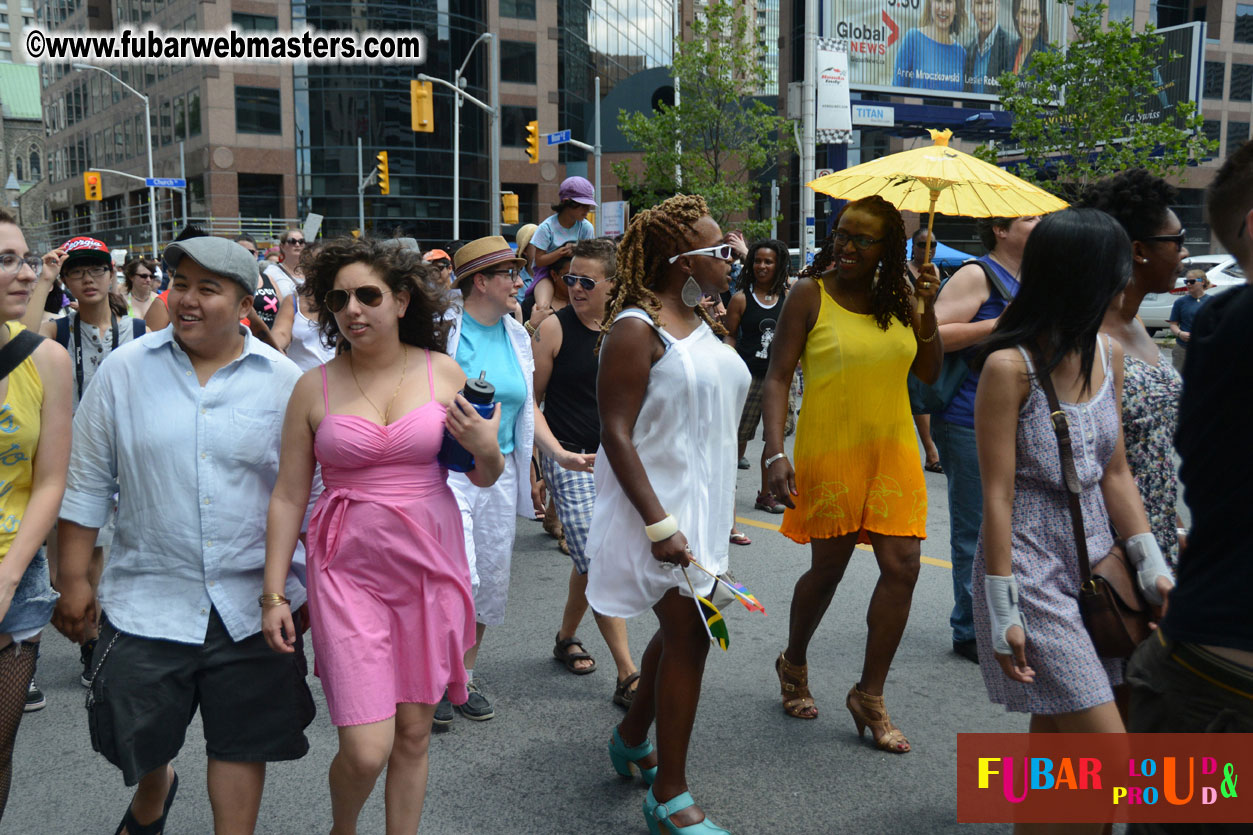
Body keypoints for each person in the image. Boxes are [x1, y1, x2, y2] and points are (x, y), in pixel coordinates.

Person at [52, 236, 316, 835]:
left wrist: (308, 593)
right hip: (148, 599)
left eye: (208, 288)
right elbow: (88, 480)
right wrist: (71, 579)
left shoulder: (285, 383)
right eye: (180, 284)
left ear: (246, 303)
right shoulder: (125, 371)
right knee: (140, 737)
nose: (187, 300)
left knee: (242, 742)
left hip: (252, 604)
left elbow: (307, 496)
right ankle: (155, 792)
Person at [263, 238, 503, 834]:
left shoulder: (442, 371)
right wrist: (273, 594)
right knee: (367, 748)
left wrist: (488, 447)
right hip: (348, 572)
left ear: (400, 300)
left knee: (415, 734)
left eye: (368, 295)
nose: (352, 310)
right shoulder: (311, 386)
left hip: (429, 565)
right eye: (338, 299)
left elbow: (484, 473)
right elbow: (290, 495)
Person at [972, 209, 1172, 773]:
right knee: (1113, 757)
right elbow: (997, 497)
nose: (1126, 281)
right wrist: (1002, 606)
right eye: (1118, 269)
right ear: (1088, 277)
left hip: (1092, 561)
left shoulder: (1108, 355)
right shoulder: (1010, 367)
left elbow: (1116, 474)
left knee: (1060, 755)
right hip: (1030, 567)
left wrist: (1153, 568)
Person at [586, 194, 748, 834]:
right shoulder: (635, 328)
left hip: (703, 513)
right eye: (719, 251)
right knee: (691, 635)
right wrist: (660, 525)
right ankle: (670, 795)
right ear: (680, 261)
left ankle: (631, 738)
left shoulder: (702, 321)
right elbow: (616, 434)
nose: (732, 258)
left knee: (682, 632)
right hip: (654, 515)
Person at [761, 196, 941, 754]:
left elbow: (929, 373)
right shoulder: (808, 294)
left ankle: (870, 693)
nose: (847, 246)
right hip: (831, 449)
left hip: (892, 451)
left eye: (862, 239)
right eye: (842, 234)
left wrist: (928, 307)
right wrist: (773, 452)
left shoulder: (905, 298)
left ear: (888, 248)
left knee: (903, 565)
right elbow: (777, 376)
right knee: (828, 569)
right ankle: (793, 659)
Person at [1125, 141, 1253, 776]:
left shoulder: (1217, 324)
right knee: (1075, 737)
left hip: (1180, 578)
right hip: (1107, 566)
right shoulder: (1220, 321)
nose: (1184, 254)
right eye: (1174, 241)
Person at [437, 236, 593, 726]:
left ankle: (463, 676)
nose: (521, 282)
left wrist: (558, 455)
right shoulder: (444, 331)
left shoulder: (517, 334)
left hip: (499, 471)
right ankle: (434, 676)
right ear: (480, 281)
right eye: (510, 273)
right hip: (447, 471)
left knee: (489, 578)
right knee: (459, 574)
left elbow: (527, 410)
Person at [530, 238, 641, 705]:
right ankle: (628, 673)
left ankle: (565, 637)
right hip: (570, 459)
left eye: (586, 281)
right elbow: (531, 404)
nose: (573, 287)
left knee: (585, 556)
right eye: (569, 278)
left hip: (619, 464)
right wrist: (544, 461)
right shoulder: (551, 329)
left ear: (613, 284)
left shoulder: (630, 329)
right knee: (599, 562)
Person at [932, 214, 1040, 663]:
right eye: (1030, 219)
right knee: (975, 526)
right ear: (1000, 229)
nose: (1041, 225)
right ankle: (971, 628)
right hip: (968, 419)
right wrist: (1001, 325)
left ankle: (1008, 618)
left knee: (1015, 527)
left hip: (1022, 417)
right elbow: (932, 335)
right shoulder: (977, 273)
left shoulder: (1033, 276)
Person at [1078, 170, 1188, 572]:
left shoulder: (1137, 326)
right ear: (1139, 251)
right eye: (1176, 241)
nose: (1184, 252)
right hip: (1106, 545)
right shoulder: (1088, 337)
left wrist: (1174, 528)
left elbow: (1153, 456)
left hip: (1154, 531)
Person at [0, 209, 72, 818]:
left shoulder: (46, 359)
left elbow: (51, 481)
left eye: (25, 259)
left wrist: (7, 575)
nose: (25, 274)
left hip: (13, 581)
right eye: (6, 261)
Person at [723, 238, 791, 538]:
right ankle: (726, 500)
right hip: (746, 378)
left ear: (778, 267)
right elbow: (730, 336)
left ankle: (766, 494)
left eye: (769, 262)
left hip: (779, 378)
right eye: (758, 261)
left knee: (774, 439)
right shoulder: (740, 299)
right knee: (737, 439)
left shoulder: (789, 298)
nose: (762, 266)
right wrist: (728, 365)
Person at [523, 176, 595, 320]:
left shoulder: (586, 227)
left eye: (589, 205)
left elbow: (591, 256)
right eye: (583, 205)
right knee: (542, 307)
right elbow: (539, 261)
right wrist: (561, 253)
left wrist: (577, 250)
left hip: (580, 273)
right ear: (567, 202)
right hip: (546, 274)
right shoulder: (546, 227)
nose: (587, 210)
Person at [907, 229, 945, 474]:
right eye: (922, 244)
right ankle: (931, 452)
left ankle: (934, 448)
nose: (927, 249)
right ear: (914, 246)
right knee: (917, 395)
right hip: (910, 337)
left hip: (930, 335)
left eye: (932, 244)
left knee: (930, 392)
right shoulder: (904, 271)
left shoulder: (936, 271)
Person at [893, 0, 967, 92]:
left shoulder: (961, 54)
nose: (943, 8)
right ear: (930, 4)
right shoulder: (913, 39)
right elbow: (896, 92)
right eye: (938, 1)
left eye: (948, 2)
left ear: (956, 9)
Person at [964, 0, 1018, 93]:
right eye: (979, 3)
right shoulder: (967, 50)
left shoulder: (1012, 47)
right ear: (972, 8)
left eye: (989, 3)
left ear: (997, 6)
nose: (984, 11)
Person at [1166, 266, 1209, 376]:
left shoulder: (1212, 301)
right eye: (1186, 281)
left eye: (1192, 281)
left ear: (1202, 282)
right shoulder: (1180, 302)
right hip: (1183, 348)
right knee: (1179, 379)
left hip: (1204, 348)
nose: (1188, 284)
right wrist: (1180, 333)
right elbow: (1173, 324)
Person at [265, 229, 307, 302]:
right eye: (292, 241)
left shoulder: (312, 272)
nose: (297, 245)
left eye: (301, 241)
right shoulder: (272, 272)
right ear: (282, 246)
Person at [1011, 0, 1049, 73]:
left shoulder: (1049, 55)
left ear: (1041, 17)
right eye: (1024, 13)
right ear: (1016, 15)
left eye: (1034, 14)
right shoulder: (1009, 51)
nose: (1029, 21)